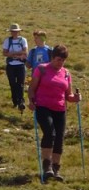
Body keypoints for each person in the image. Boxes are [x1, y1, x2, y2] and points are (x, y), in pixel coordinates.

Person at [28, 44, 81, 181]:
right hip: (43, 106)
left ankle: (56, 169)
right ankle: (47, 166)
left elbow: (68, 95)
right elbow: (32, 88)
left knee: (59, 138)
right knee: (50, 133)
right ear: (52, 57)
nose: (60, 63)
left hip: (60, 109)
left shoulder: (66, 73)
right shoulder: (42, 69)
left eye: (63, 60)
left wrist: (75, 99)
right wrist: (31, 101)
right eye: (58, 59)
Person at [3, 23, 29, 111]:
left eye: (16, 31)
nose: (14, 33)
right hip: (11, 66)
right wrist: (18, 54)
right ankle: (15, 101)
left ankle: (21, 101)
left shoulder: (23, 40)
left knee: (21, 84)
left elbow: (25, 52)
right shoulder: (7, 41)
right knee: (12, 84)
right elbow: (4, 53)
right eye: (13, 31)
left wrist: (12, 54)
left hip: (21, 65)